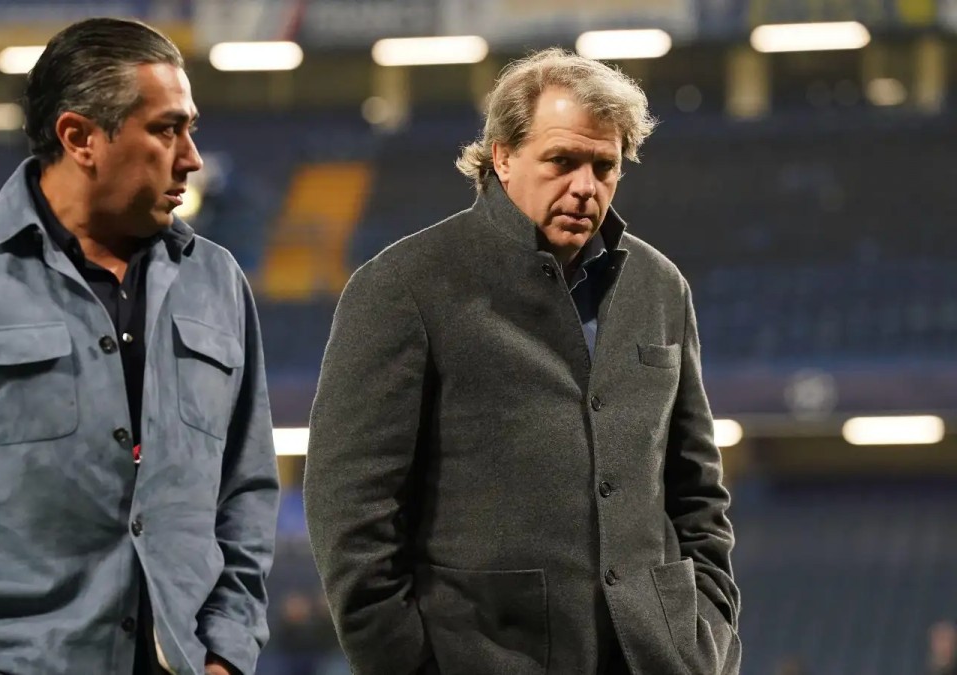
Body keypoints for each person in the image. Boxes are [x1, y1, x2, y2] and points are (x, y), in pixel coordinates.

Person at [0, 18, 279, 675]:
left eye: (190, 129)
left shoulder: (217, 281)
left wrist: (227, 653)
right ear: (79, 137)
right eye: (166, 130)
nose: (191, 158)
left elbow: (247, 494)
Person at [303, 48, 741, 675]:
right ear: (502, 157)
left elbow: (696, 488)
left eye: (605, 166)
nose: (585, 187)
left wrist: (709, 631)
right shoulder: (403, 286)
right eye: (562, 161)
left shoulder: (659, 285)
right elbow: (351, 510)